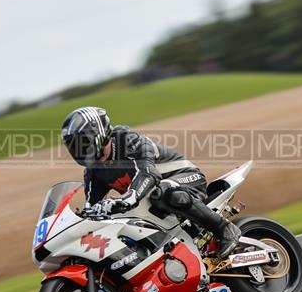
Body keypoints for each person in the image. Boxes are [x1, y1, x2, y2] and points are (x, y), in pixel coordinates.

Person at [60, 106, 240, 258]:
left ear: (97, 134)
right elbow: (90, 208)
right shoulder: (93, 171)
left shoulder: (126, 140)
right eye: (73, 146)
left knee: (161, 191)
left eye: (82, 143)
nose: (78, 150)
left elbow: (148, 174)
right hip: (147, 196)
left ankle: (225, 229)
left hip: (186, 179)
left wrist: (128, 198)